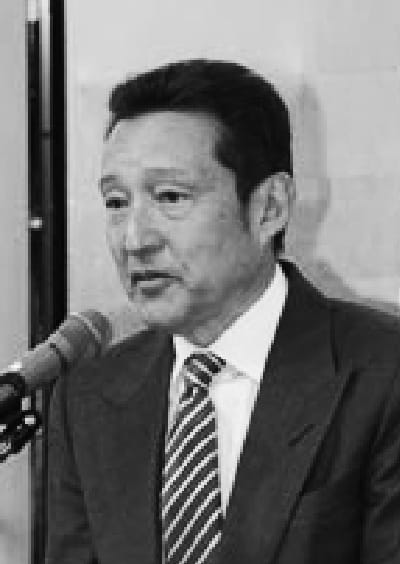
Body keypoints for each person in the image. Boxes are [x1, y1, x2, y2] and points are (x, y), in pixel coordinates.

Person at [45, 60, 400, 564]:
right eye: (116, 202)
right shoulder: (87, 400)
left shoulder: (383, 374)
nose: (134, 240)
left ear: (270, 207)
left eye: (170, 196)